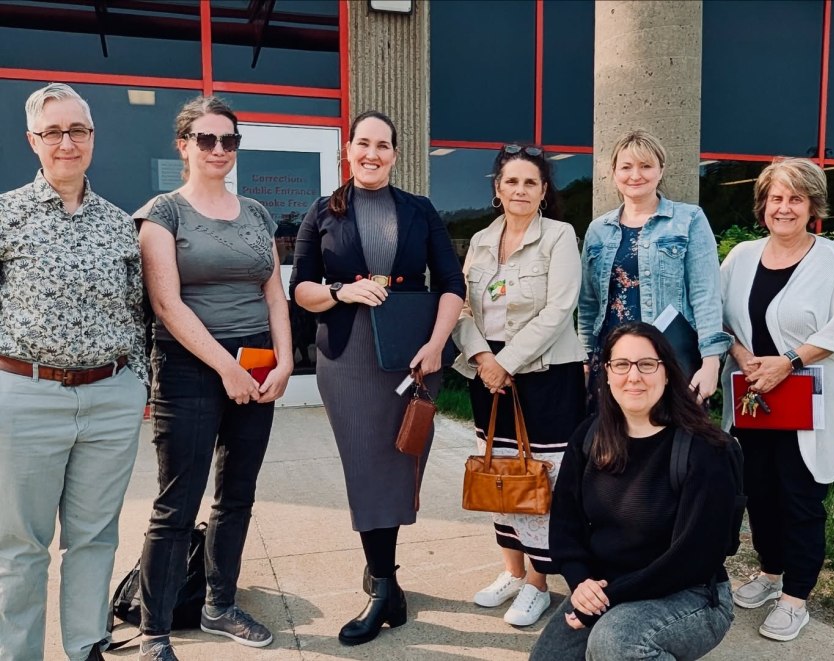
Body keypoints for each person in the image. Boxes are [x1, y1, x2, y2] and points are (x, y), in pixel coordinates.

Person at [291, 110, 465, 646]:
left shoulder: (419, 209)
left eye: (383, 145)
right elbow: (301, 289)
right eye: (363, 143)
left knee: (399, 463)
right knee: (367, 468)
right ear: (348, 149)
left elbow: (452, 283)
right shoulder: (323, 212)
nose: (372, 153)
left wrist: (437, 345)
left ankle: (382, 578)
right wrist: (343, 291)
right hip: (348, 358)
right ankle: (383, 587)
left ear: (395, 153)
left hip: (414, 355)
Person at [135, 96, 292, 661]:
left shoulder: (256, 214)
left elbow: (273, 290)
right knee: (176, 504)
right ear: (184, 146)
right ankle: (155, 633)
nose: (218, 149)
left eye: (228, 140)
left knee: (237, 495)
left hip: (256, 362)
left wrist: (286, 358)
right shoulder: (163, 212)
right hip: (188, 366)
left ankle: (219, 605)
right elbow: (167, 304)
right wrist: (224, 368)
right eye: (206, 140)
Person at [0, 83, 148, 661]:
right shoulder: (6, 215)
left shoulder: (117, 224)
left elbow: (137, 310)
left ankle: (86, 647)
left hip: (110, 399)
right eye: (54, 131)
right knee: (21, 546)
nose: (68, 142)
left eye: (78, 130)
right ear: (33, 140)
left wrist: (137, 384)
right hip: (26, 395)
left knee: (94, 538)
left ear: (92, 137)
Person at [531, 322, 737, 660]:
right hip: (608, 585)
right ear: (607, 374)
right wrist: (581, 583)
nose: (634, 376)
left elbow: (693, 559)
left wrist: (608, 598)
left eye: (647, 364)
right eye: (622, 365)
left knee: (616, 642)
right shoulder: (589, 438)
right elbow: (566, 528)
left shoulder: (704, 450)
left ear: (668, 373)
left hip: (689, 593)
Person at [720, 158, 834, 642]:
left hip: (807, 400)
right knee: (759, 491)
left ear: (812, 205)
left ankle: (795, 597)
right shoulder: (740, 256)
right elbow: (718, 318)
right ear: (764, 205)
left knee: (800, 496)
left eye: (796, 198)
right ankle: (771, 572)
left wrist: (788, 361)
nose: (784, 208)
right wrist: (742, 355)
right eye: (776, 198)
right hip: (754, 396)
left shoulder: (832, 258)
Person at [452, 144, 586, 627]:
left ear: (544, 191)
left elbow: (559, 308)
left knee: (541, 479)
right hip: (489, 378)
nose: (521, 190)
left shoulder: (560, 236)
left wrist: (506, 360)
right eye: (512, 181)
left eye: (531, 182)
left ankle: (539, 583)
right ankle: (511, 570)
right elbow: (460, 307)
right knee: (500, 474)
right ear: (497, 189)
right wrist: (485, 358)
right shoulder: (481, 242)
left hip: (547, 376)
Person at [578, 129, 729, 412]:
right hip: (612, 362)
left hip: (670, 357)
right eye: (626, 167)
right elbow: (588, 303)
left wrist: (711, 362)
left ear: (661, 170)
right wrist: (585, 359)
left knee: (672, 444)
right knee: (612, 447)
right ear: (613, 172)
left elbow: (705, 294)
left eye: (646, 166)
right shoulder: (598, 231)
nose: (636, 175)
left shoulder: (688, 220)